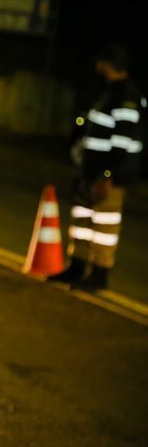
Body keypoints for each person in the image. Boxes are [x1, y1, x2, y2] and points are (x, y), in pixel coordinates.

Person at [50, 44, 144, 290]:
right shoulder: (107, 92)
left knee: (104, 224)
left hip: (108, 176)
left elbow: (122, 140)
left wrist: (107, 175)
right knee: (83, 218)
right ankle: (77, 266)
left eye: (101, 60)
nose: (96, 65)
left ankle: (100, 274)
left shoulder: (126, 96)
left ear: (108, 64)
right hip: (91, 171)